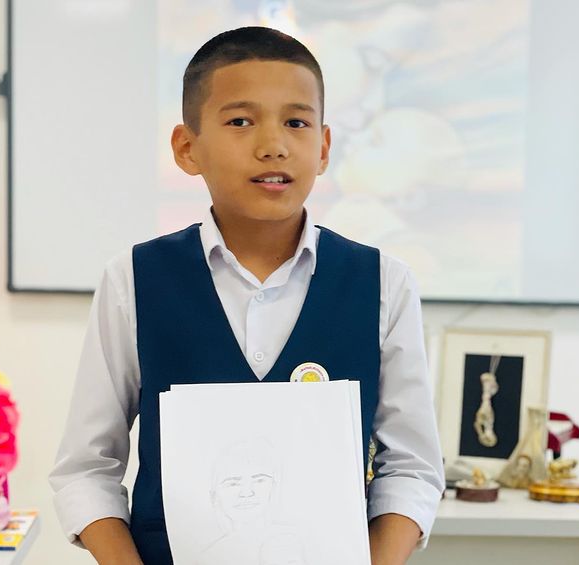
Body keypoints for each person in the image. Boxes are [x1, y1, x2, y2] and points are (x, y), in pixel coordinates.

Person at [49, 26, 444, 565]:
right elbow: (86, 469)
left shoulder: (384, 283)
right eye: (240, 121)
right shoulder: (133, 280)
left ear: (324, 148)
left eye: (296, 122)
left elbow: (412, 468)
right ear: (187, 148)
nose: (273, 145)